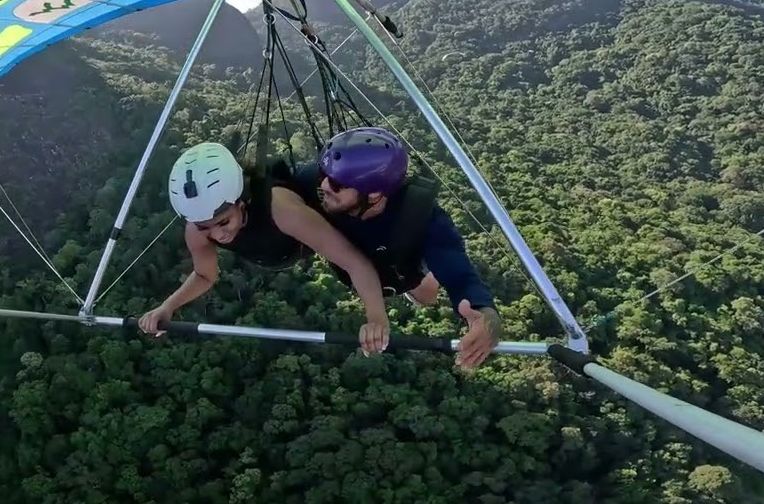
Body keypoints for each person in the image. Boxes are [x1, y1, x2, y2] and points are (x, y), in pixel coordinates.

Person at [138, 141, 394, 354]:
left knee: (421, 291)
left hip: (305, 237)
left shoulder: (283, 211)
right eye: (206, 227)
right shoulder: (197, 228)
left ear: (241, 200)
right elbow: (205, 274)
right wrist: (168, 306)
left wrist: (376, 320)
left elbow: (353, 261)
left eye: (223, 222)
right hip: (272, 252)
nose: (217, 234)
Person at [293, 126, 502, 368]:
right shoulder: (317, 189)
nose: (325, 187)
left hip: (399, 270)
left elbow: (461, 276)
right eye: (323, 174)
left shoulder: (422, 219)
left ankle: (422, 283)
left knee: (427, 295)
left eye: (338, 185)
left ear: (373, 195)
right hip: (351, 266)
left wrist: (486, 315)